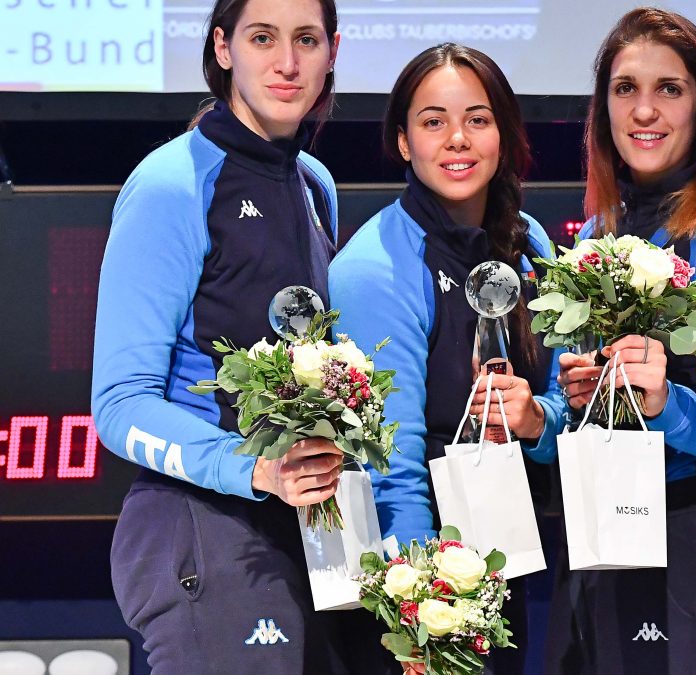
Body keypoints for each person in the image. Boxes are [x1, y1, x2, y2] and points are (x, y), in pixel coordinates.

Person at [90, 1, 363, 672]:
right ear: (222, 47)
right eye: (262, 38)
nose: (287, 61)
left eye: (306, 39)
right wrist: (256, 468)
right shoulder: (169, 184)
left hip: (309, 530)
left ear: (332, 50)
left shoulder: (313, 183)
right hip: (201, 528)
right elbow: (119, 403)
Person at [542, 8, 696, 675]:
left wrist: (664, 401)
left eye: (668, 88)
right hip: (597, 529)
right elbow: (578, 409)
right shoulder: (593, 234)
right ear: (603, 110)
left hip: (692, 542)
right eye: (625, 89)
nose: (644, 109)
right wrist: (554, 409)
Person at [328, 43, 559, 673]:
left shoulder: (528, 240)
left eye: (478, 120)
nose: (457, 139)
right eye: (433, 121)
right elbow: (390, 467)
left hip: (502, 558)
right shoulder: (374, 269)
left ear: (504, 135)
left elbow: (566, 401)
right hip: (422, 587)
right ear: (403, 142)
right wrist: (428, 610)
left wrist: (535, 418)